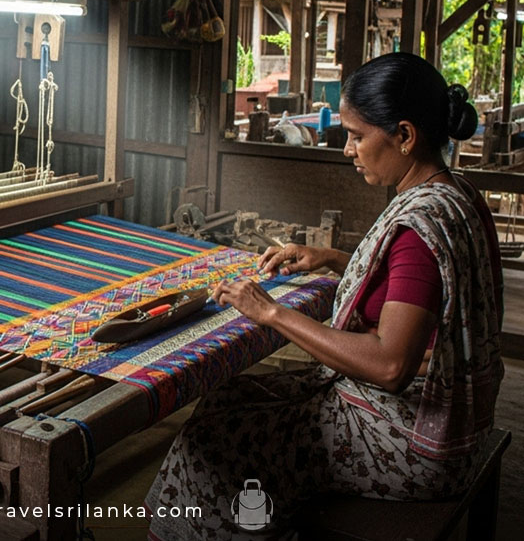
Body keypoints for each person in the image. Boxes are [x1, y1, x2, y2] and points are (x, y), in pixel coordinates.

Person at [145, 53, 504, 540]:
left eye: (358, 136)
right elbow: (417, 289)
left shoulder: (419, 227)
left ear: (403, 135)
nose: (348, 149)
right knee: (228, 395)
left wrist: (268, 311)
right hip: (461, 420)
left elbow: (389, 366)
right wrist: (332, 258)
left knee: (210, 442)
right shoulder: (455, 195)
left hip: (415, 443)